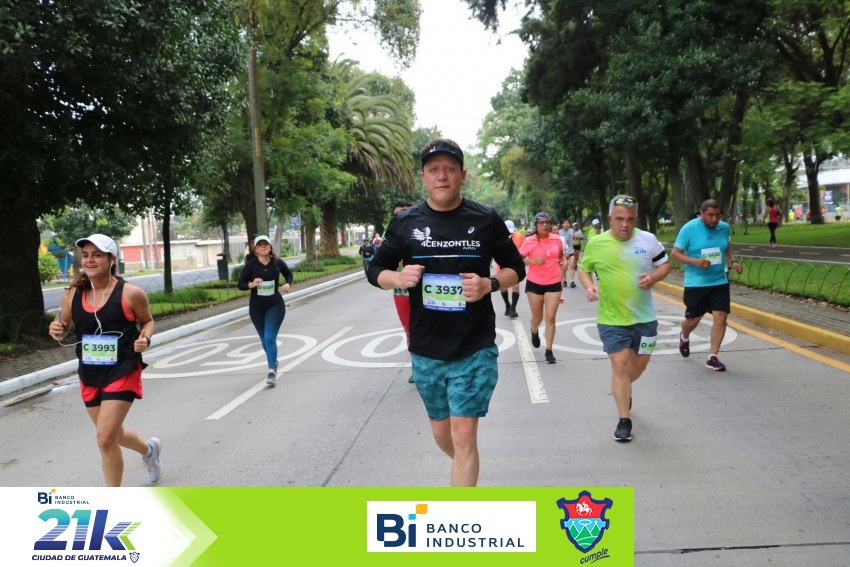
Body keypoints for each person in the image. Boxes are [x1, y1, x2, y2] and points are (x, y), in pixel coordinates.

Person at [367, 138, 525, 487]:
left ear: (462, 175)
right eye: (434, 169)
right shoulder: (406, 222)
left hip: (474, 346)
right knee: (443, 435)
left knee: (464, 435)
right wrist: (398, 277)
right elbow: (375, 269)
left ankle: (461, 505)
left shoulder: (485, 219)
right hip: (427, 349)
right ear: (422, 177)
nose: (442, 176)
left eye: (450, 169)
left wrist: (489, 284)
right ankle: (466, 468)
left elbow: (516, 268)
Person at [48, 234, 162, 486]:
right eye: (86, 255)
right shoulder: (72, 293)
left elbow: (147, 322)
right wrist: (56, 330)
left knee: (104, 438)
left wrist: (145, 338)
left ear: (112, 260)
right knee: (114, 434)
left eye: (97, 255)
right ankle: (149, 451)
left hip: (122, 369)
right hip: (90, 372)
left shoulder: (130, 293)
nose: (89, 260)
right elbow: (63, 327)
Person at [578, 196, 671, 442]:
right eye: (619, 219)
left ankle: (623, 388)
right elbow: (584, 269)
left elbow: (665, 265)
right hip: (611, 319)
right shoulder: (596, 243)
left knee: (638, 366)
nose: (625, 224)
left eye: (630, 219)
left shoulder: (648, 240)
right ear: (610, 218)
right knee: (619, 365)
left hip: (645, 318)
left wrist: (654, 277)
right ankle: (624, 420)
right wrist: (588, 286)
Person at [671, 199, 743, 372]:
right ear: (701, 213)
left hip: (719, 280)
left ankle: (712, 357)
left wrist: (733, 261)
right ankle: (684, 335)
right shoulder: (689, 228)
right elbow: (675, 254)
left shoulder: (724, 228)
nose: (714, 219)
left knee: (721, 317)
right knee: (693, 320)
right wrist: (696, 262)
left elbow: (727, 246)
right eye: (710, 215)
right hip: (696, 282)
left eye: (718, 215)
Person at [237, 235, 293, 386]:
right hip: (256, 307)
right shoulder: (251, 265)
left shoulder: (277, 263)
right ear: (255, 249)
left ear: (270, 247)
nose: (263, 247)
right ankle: (273, 361)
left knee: (269, 338)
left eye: (265, 244)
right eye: (260, 245)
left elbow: (288, 274)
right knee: (263, 339)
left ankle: (271, 371)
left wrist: (288, 284)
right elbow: (240, 284)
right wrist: (251, 284)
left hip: (275, 305)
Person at [520, 212, 567, 364]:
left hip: (554, 282)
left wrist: (565, 262)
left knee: (551, 317)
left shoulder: (557, 239)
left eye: (547, 222)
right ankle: (534, 330)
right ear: (536, 225)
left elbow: (561, 256)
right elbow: (518, 259)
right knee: (538, 318)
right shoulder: (529, 241)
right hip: (535, 283)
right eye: (541, 223)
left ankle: (549, 350)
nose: (545, 225)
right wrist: (532, 261)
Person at [389, 199, 415, 383]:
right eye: (397, 214)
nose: (401, 217)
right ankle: (417, 367)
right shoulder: (390, 236)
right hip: (401, 292)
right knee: (409, 331)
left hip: (424, 290)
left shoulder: (423, 231)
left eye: (405, 212)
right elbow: (380, 265)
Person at [498, 220, 525, 318]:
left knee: (516, 286)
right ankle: (507, 305)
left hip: (515, 264)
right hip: (501, 264)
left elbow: (525, 249)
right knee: (503, 287)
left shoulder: (520, 236)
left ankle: (513, 309)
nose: (509, 234)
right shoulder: (498, 237)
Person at [558, 219, 575, 287]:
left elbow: (574, 238)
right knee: (565, 267)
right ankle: (565, 281)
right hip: (563, 252)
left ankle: (572, 281)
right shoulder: (559, 232)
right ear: (562, 224)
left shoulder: (572, 231)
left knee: (572, 265)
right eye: (565, 223)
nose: (566, 224)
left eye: (567, 222)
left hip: (571, 250)